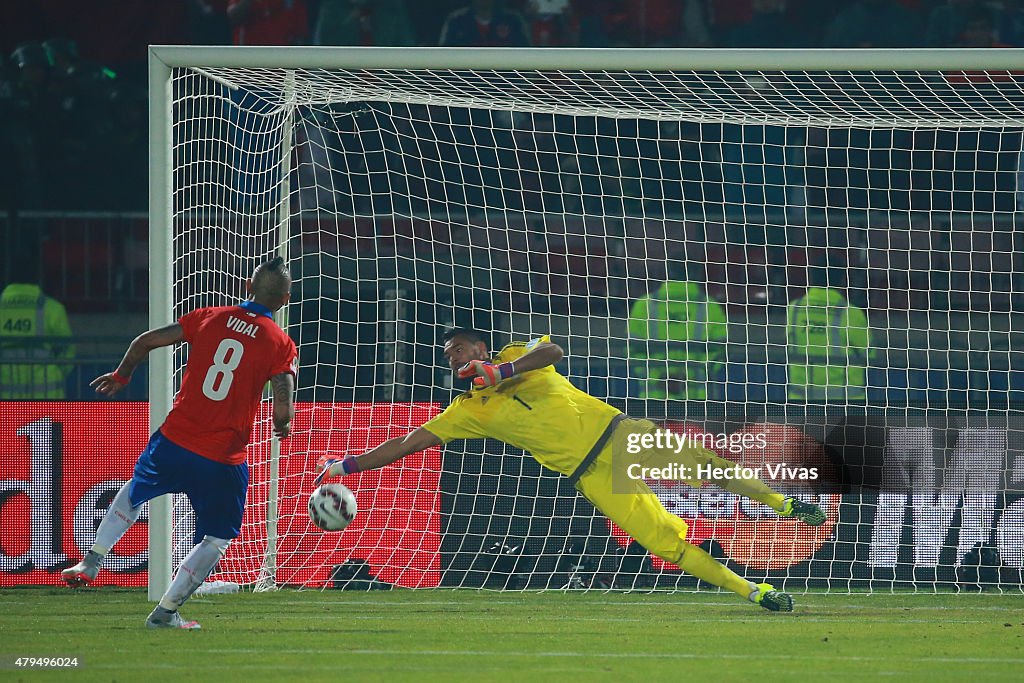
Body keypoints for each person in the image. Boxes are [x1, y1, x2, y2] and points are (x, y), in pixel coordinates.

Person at [317, 327, 828, 611]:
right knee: (665, 545)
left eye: (460, 350)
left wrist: (503, 371)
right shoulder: (465, 411)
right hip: (592, 475)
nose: (453, 359)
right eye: (447, 357)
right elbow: (409, 442)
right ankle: (755, 591)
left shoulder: (519, 355)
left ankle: (787, 504)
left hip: (620, 435)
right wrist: (346, 463)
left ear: (480, 347)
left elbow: (555, 348)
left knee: (711, 467)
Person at [61, 257, 297, 630]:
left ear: (248, 287)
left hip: (175, 439)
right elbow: (282, 392)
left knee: (135, 491)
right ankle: (164, 613)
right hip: (222, 457)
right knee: (216, 538)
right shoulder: (279, 341)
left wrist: (123, 376)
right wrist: (282, 422)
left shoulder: (211, 316)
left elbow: (146, 341)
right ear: (284, 300)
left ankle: (91, 560)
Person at [627, 264, 728, 401]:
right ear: (697, 274)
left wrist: (658, 378)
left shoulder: (644, 305)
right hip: (696, 401)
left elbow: (632, 350)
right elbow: (720, 350)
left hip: (653, 400)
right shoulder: (711, 306)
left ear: (665, 273)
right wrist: (688, 378)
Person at [786, 265, 871, 403]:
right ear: (843, 281)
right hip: (844, 404)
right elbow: (870, 354)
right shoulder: (851, 313)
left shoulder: (793, 309)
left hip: (800, 403)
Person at [0, 249, 75, 399]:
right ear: (38, 276)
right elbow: (68, 352)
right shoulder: (52, 309)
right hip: (46, 396)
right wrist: (57, 372)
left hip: (6, 400)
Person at [439, 0, 531, 47]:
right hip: (465, 80)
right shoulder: (456, 21)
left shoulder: (513, 21)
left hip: (503, 81)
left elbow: (526, 53)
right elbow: (443, 55)